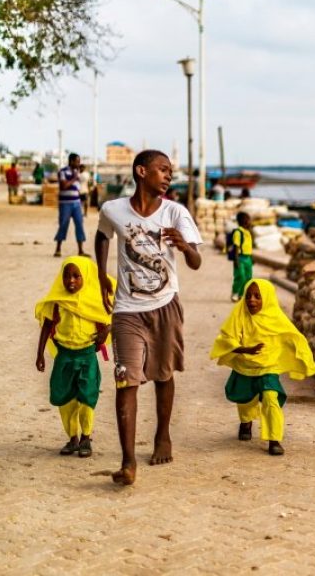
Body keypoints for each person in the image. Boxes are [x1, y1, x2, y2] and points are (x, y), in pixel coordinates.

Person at [95, 149, 202, 486]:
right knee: (126, 379)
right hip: (127, 310)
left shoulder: (176, 212)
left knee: (163, 374)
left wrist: (184, 247)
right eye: (163, 169)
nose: (169, 176)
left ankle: (163, 435)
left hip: (165, 305)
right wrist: (100, 274)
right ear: (142, 172)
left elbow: (197, 262)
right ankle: (128, 462)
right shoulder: (113, 209)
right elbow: (102, 236)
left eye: (171, 171)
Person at [210, 279, 315, 455]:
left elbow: (292, 336)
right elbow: (226, 338)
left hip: (268, 366)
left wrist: (301, 356)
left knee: (271, 398)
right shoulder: (239, 314)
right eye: (248, 296)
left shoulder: (276, 317)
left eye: (257, 296)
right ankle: (246, 422)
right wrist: (245, 349)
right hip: (244, 365)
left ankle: (273, 439)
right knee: (245, 399)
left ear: (267, 299)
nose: (252, 300)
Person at [35, 256, 115, 458]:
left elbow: (116, 315)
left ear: (85, 277)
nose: (71, 281)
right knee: (66, 399)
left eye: (76, 276)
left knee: (87, 397)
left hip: (87, 355)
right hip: (64, 356)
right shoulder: (57, 302)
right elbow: (46, 326)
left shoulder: (96, 300)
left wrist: (107, 330)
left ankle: (86, 437)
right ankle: (72, 438)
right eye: (67, 276)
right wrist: (40, 354)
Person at [54, 153, 88, 258]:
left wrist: (78, 173)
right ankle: (58, 249)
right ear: (71, 161)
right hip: (65, 204)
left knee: (79, 224)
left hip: (76, 203)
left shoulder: (77, 172)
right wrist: (75, 177)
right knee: (63, 224)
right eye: (77, 161)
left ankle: (81, 250)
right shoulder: (63, 172)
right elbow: (64, 186)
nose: (78, 163)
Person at [230, 212, 253, 302]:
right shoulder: (238, 232)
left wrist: (252, 258)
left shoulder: (247, 232)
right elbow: (236, 247)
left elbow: (250, 246)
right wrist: (236, 260)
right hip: (240, 258)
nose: (250, 222)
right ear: (243, 221)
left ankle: (242, 294)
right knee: (240, 276)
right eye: (248, 220)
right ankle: (235, 292)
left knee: (248, 277)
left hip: (248, 258)